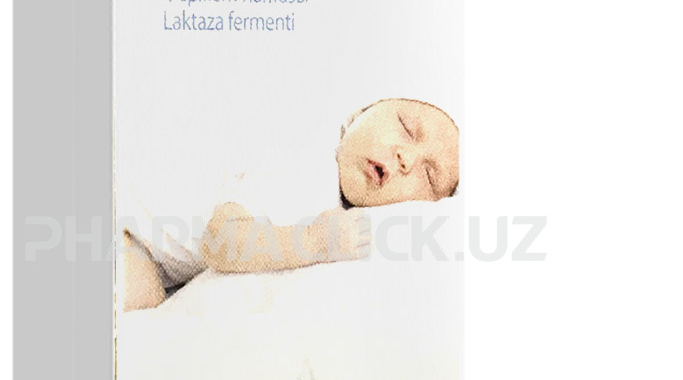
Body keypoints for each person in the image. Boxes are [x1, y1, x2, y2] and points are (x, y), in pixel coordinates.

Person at [122, 97, 459, 311]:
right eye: (407, 128)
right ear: (355, 117)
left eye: (428, 175)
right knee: (143, 323)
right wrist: (312, 241)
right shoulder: (306, 170)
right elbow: (220, 241)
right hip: (121, 225)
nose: (407, 157)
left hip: (142, 244)